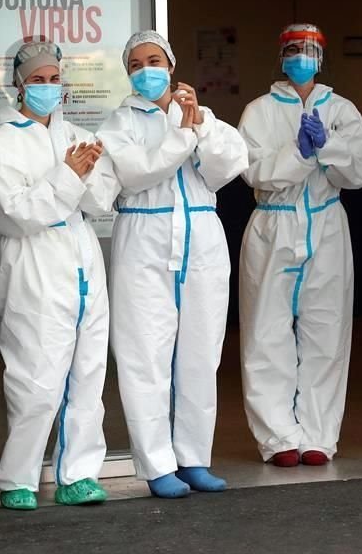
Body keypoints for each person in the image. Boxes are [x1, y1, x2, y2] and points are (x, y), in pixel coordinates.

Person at [99, 31, 248, 498]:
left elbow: (229, 165)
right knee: (146, 354)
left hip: (201, 235)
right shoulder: (117, 124)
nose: (147, 69)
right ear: (128, 72)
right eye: (138, 63)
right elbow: (139, 171)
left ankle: (194, 458)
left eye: (155, 60)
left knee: (202, 353)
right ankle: (157, 463)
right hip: (144, 238)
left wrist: (197, 125)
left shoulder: (200, 115)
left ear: (172, 63)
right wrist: (184, 137)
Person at [0, 41, 120, 510]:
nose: (48, 87)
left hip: (82, 257)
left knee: (88, 372)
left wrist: (83, 173)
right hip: (34, 262)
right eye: (38, 79)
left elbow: (103, 198)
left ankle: (79, 473)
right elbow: (12, 213)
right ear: (19, 84)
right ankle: (18, 477)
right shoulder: (5, 139)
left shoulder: (75, 134)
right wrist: (68, 176)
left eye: (54, 78)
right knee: (36, 375)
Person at [237, 23, 362, 468]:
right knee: (266, 332)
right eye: (294, 49)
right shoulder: (258, 111)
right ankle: (277, 437)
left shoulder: (342, 109)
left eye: (310, 49)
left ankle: (318, 435)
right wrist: (299, 154)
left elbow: (358, 172)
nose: (301, 56)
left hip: (327, 223)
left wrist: (328, 146)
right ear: (281, 57)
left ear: (322, 56)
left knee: (326, 333)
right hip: (273, 225)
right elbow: (254, 173)